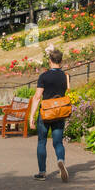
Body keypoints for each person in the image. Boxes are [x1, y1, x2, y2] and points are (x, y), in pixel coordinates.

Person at [29, 47, 70, 182]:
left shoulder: (44, 76)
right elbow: (67, 90)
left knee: (42, 141)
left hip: (46, 113)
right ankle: (60, 160)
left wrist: (31, 116)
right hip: (59, 112)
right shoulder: (65, 76)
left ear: (50, 61)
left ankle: (42, 173)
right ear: (61, 61)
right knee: (58, 142)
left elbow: (37, 97)